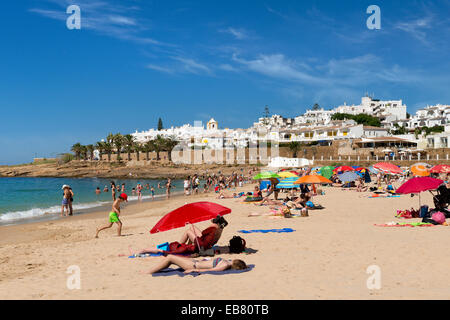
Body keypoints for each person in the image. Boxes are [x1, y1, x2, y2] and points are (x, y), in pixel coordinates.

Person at [140, 254, 247, 274]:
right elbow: (210, 263)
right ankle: (152, 269)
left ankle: (148, 272)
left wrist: (194, 270)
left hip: (193, 266)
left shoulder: (225, 265)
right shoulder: (226, 261)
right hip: (195, 262)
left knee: (170, 258)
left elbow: (211, 270)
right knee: (170, 257)